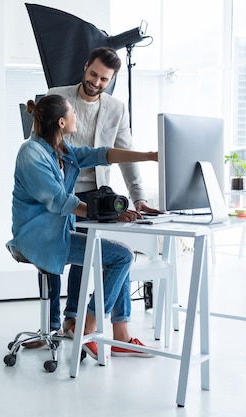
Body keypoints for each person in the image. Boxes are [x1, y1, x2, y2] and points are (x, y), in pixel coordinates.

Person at [6, 94, 156, 358]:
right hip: (38, 238)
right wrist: (109, 214)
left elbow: (101, 154)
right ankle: (87, 326)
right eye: (73, 113)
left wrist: (149, 155)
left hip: (58, 233)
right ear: (62, 122)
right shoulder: (30, 153)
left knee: (120, 254)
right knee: (121, 256)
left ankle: (116, 334)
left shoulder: (61, 149)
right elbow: (58, 200)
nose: (77, 116)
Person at [40, 47, 163, 341]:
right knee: (76, 252)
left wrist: (140, 199)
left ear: (112, 80)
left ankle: (100, 324)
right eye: (93, 74)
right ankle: (59, 324)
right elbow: (41, 147)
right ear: (85, 67)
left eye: (104, 79)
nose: (96, 81)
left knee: (108, 250)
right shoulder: (57, 96)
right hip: (62, 190)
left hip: (98, 192)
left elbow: (125, 155)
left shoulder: (117, 108)